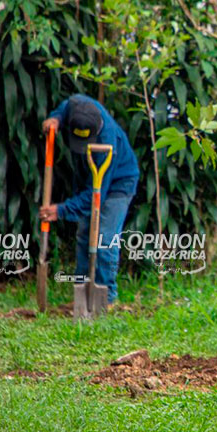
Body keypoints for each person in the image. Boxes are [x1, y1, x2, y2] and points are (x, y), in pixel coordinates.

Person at [39, 94, 140, 305]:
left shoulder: (107, 143)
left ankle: (106, 297)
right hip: (88, 177)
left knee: (104, 238)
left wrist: (61, 210)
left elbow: (97, 194)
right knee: (84, 235)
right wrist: (56, 118)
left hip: (118, 183)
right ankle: (83, 294)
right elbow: (65, 104)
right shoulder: (77, 107)